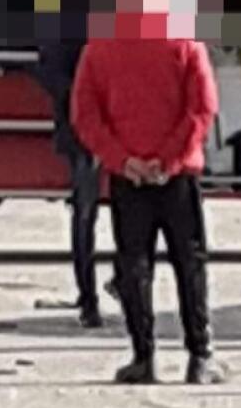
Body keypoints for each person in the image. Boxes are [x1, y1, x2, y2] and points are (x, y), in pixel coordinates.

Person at [71, 34, 227, 385]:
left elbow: (85, 115)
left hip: (129, 178)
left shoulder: (100, 45)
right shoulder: (184, 42)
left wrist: (124, 160)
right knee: (190, 264)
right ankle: (199, 356)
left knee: (134, 266)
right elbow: (202, 107)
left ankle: (143, 356)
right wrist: (168, 159)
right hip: (178, 176)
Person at [35, 40, 116, 329]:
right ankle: (89, 297)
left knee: (105, 209)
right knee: (86, 212)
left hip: (112, 118)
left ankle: (111, 284)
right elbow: (47, 69)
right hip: (85, 123)